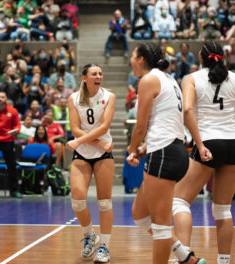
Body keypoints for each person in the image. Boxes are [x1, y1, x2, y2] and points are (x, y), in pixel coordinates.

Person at [172, 41, 235, 264]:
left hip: (210, 141)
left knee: (179, 202)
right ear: (222, 57)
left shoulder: (191, 79)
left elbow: (189, 110)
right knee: (223, 209)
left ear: (201, 57)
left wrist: (199, 144)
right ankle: (224, 261)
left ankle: (182, 258)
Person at [126, 42, 204, 264]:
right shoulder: (168, 80)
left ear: (141, 59)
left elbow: (140, 127)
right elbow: (165, 122)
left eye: (133, 55)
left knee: (160, 227)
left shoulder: (149, 80)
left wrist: (132, 149)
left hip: (165, 153)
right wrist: (143, 149)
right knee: (140, 215)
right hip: (170, 149)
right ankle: (186, 258)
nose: (131, 59)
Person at [66, 64, 116, 263]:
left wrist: (79, 141)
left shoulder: (109, 96)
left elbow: (104, 126)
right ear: (84, 78)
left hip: (103, 155)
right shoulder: (74, 98)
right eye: (94, 74)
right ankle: (89, 235)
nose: (99, 76)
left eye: (101, 73)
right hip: (85, 152)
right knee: (77, 202)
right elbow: (75, 128)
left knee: (104, 203)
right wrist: (96, 143)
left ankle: (104, 246)